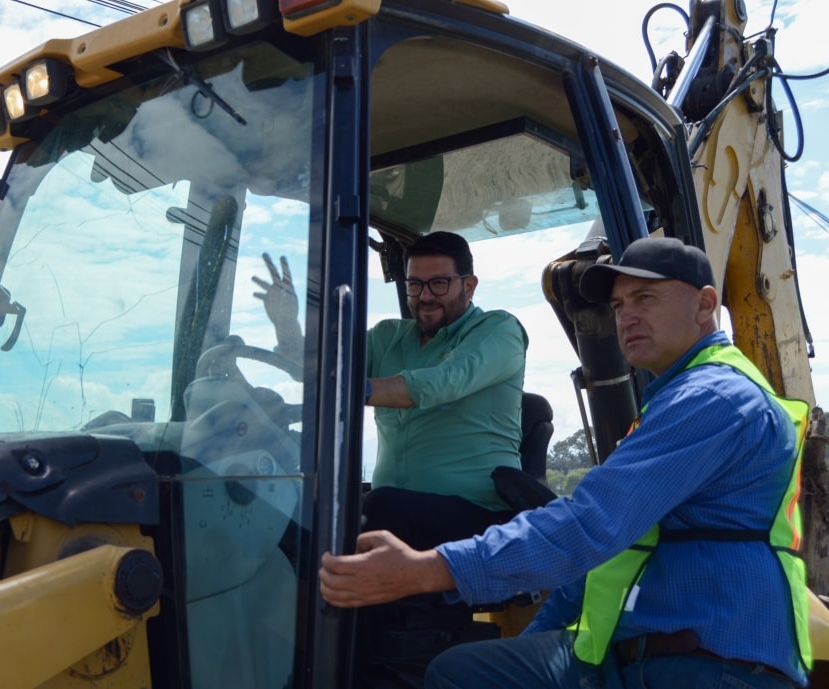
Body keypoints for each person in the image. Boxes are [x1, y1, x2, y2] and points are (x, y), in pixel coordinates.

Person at [319, 236, 811, 688]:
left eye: (645, 298)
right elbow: (604, 553)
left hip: (709, 661)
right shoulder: (671, 402)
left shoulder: (711, 399)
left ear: (705, 305)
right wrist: (535, 635)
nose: (626, 317)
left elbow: (593, 523)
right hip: (644, 648)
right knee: (465, 670)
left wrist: (427, 570)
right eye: (618, 305)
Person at [255, 231, 529, 546]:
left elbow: (443, 381)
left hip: (482, 521)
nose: (425, 296)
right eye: (415, 284)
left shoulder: (499, 330)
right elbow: (320, 370)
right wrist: (286, 325)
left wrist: (347, 389)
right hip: (397, 514)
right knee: (293, 515)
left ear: (469, 286)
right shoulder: (387, 338)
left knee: (378, 508)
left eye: (439, 283)